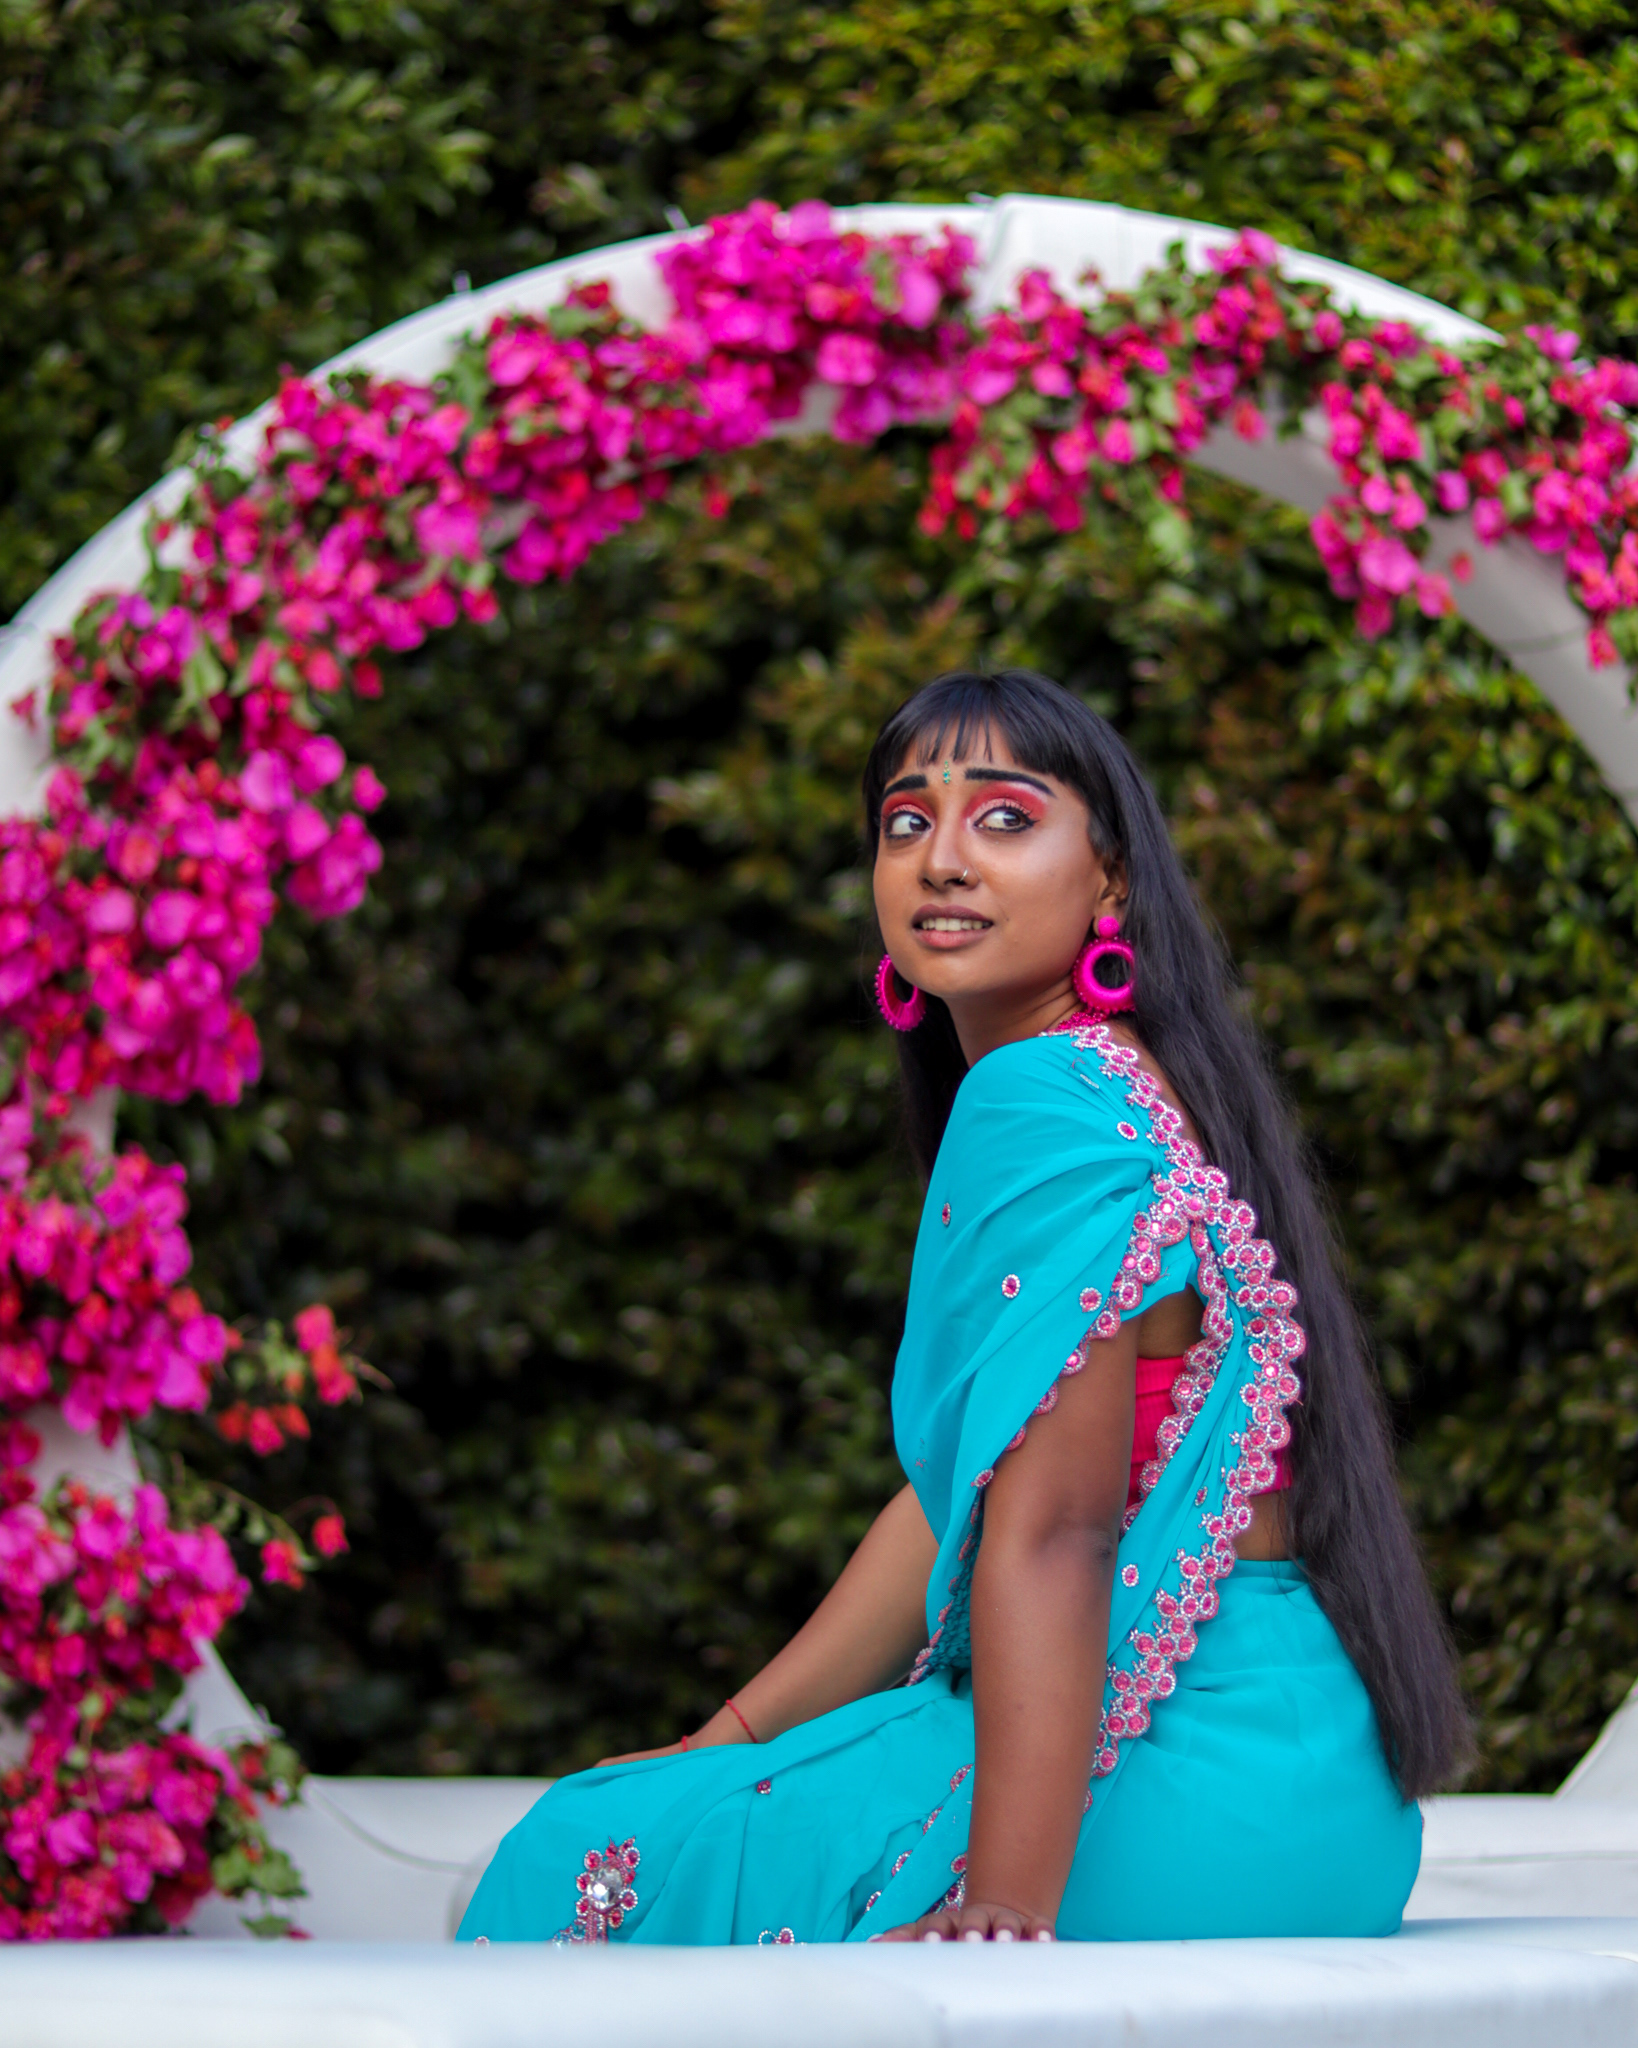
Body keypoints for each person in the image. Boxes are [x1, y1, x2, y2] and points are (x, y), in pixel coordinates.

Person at [459, 667, 1468, 1946]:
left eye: (1004, 816)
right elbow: (961, 1501)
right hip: (1327, 1792)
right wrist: (720, 1741)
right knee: (685, 1800)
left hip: (1173, 1783)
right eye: (906, 821)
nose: (943, 858)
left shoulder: (1038, 1098)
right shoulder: (1145, 1082)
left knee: (575, 1862)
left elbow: (1056, 1533)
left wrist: (1002, 1908)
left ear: (1111, 879)